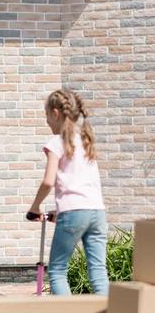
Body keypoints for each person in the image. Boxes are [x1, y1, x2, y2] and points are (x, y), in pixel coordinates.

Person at [28, 89, 109, 295]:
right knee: (98, 270)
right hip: (97, 212)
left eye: (46, 115)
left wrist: (35, 207)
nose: (46, 121)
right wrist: (60, 211)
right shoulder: (85, 139)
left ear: (56, 113)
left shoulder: (56, 142)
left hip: (74, 212)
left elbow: (48, 182)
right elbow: (81, 183)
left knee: (57, 270)